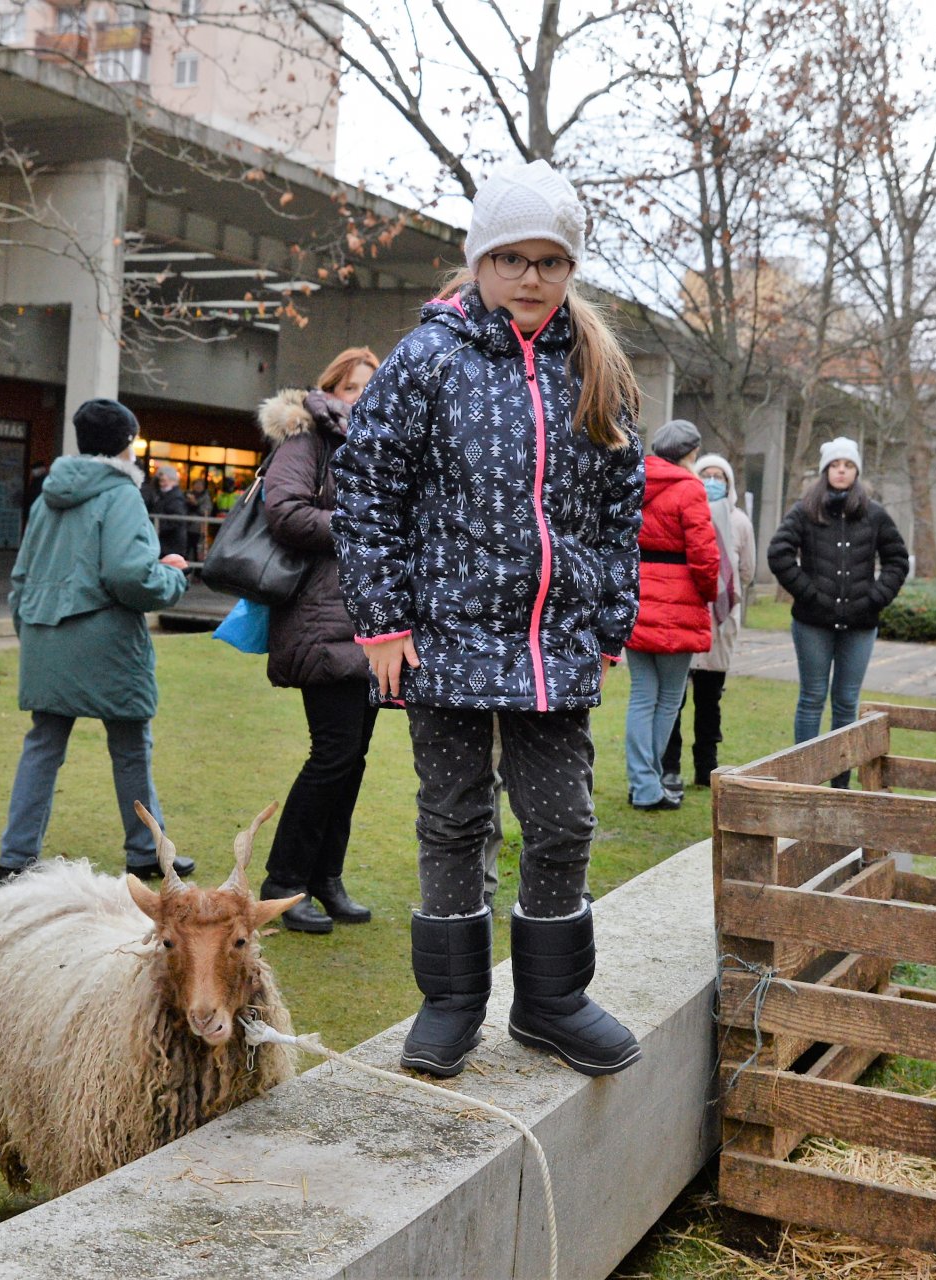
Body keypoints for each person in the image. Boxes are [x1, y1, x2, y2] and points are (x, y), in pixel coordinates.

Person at [334, 158, 646, 1079]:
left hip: (552, 647)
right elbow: (367, 488)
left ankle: (551, 1001)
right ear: (479, 260)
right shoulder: (428, 360)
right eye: (511, 258)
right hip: (447, 639)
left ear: (570, 269)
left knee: (562, 823)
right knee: (453, 818)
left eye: (550, 261)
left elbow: (619, 502)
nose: (531, 278)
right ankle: (452, 1002)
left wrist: (609, 613)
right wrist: (383, 621)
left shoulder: (598, 367)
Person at [0, 400, 191, 885]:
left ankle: (15, 860)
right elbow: (128, 575)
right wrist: (171, 579)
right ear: (128, 442)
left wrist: (32, 629)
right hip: (105, 640)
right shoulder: (121, 495)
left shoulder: (47, 497)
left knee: (43, 745)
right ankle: (147, 851)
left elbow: (23, 573)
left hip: (45, 634)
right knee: (129, 747)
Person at [254, 345, 382, 934]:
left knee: (351, 760)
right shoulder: (306, 440)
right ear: (330, 390)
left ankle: (326, 878)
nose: (363, 397)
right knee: (331, 755)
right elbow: (284, 512)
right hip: (319, 618)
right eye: (353, 387)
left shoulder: (381, 448)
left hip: (367, 622)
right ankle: (285, 881)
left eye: (372, 386)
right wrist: (361, 526)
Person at [766, 436, 909, 785]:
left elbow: (897, 560)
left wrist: (875, 598)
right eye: (834, 465)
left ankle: (839, 782)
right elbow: (779, 553)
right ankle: (803, 777)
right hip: (813, 623)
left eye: (847, 465)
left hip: (860, 624)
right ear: (825, 470)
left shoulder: (874, 514)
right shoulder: (805, 510)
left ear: (856, 470)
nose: (841, 471)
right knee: (812, 697)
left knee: (846, 702)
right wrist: (808, 594)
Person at [622, 419, 718, 811]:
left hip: (638, 596)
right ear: (691, 453)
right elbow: (705, 555)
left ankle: (641, 782)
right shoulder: (690, 488)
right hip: (678, 600)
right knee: (668, 700)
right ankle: (648, 784)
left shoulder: (634, 480)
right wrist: (708, 595)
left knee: (642, 696)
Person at [663, 450, 757, 793]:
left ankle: (707, 766)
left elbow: (746, 570)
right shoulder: (681, 511)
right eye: (707, 475)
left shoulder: (739, 522)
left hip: (720, 623)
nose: (713, 482)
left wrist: (723, 594)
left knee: (709, 700)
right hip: (684, 617)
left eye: (720, 477)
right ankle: (668, 766)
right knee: (674, 699)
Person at [146, 462, 195, 562]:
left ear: (172, 480)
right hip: (168, 543)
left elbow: (175, 520)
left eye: (164, 480)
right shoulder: (166, 495)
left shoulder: (174, 498)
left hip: (170, 544)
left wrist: (157, 527)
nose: (161, 482)